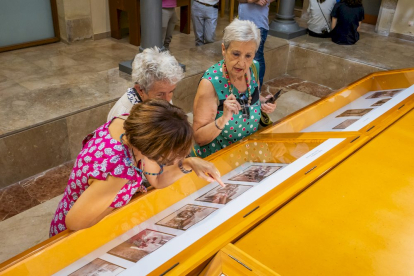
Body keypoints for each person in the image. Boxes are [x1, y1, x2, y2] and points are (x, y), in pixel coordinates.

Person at [50, 100, 224, 237]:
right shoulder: (120, 171)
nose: (175, 160)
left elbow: (157, 179)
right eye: (171, 156)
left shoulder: (131, 126)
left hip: (76, 208)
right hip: (74, 234)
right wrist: (120, 203)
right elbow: (75, 223)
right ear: (152, 149)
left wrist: (190, 163)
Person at [191, 19, 277, 158]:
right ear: (224, 49)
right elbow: (199, 138)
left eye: (248, 55)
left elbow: (249, 98)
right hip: (219, 159)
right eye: (236, 54)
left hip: (250, 152)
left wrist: (263, 102)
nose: (242, 63)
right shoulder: (211, 84)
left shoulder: (254, 67)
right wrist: (223, 119)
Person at [107, 47, 183, 121]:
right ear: (140, 90)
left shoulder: (163, 96)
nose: (168, 100)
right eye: (160, 94)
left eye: (171, 91)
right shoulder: (122, 117)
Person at [238, 0, 275, 88]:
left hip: (259, 26)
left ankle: (256, 90)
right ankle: (243, 87)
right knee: (241, 56)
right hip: (242, 25)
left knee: (257, 57)